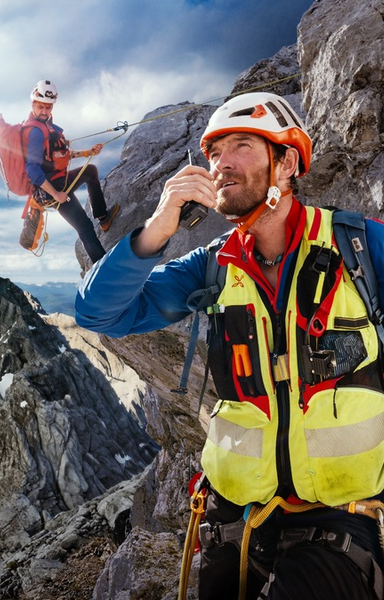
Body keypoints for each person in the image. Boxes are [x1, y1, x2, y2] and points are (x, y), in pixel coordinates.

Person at [74, 91, 384, 600]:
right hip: (235, 519)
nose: (221, 163)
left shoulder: (358, 247)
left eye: (242, 145)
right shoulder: (214, 266)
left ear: (287, 161)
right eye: (215, 152)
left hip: (342, 520)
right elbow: (99, 313)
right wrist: (158, 226)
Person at [24, 79, 119, 263]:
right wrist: (57, 194)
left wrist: (87, 152)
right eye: (41, 107)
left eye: (48, 108)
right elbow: (32, 170)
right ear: (33, 104)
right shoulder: (35, 132)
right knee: (84, 228)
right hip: (53, 190)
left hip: (59, 181)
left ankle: (103, 217)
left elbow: (58, 153)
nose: (44, 112)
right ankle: (105, 271)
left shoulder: (46, 126)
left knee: (90, 171)